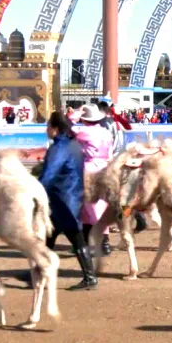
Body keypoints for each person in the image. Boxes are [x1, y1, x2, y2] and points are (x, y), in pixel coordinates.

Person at [40, 112, 96, 290]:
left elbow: (49, 175)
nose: (46, 129)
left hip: (63, 200)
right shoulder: (73, 144)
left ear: (55, 129)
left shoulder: (59, 149)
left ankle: (90, 278)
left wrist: (34, 190)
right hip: (70, 197)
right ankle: (40, 271)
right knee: (49, 237)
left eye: (48, 126)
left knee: (76, 238)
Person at [74, 104, 114, 256]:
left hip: (90, 167)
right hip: (105, 167)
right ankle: (103, 242)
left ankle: (96, 242)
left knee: (90, 206)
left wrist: (76, 113)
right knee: (102, 205)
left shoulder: (83, 131)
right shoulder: (106, 132)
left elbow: (67, 128)